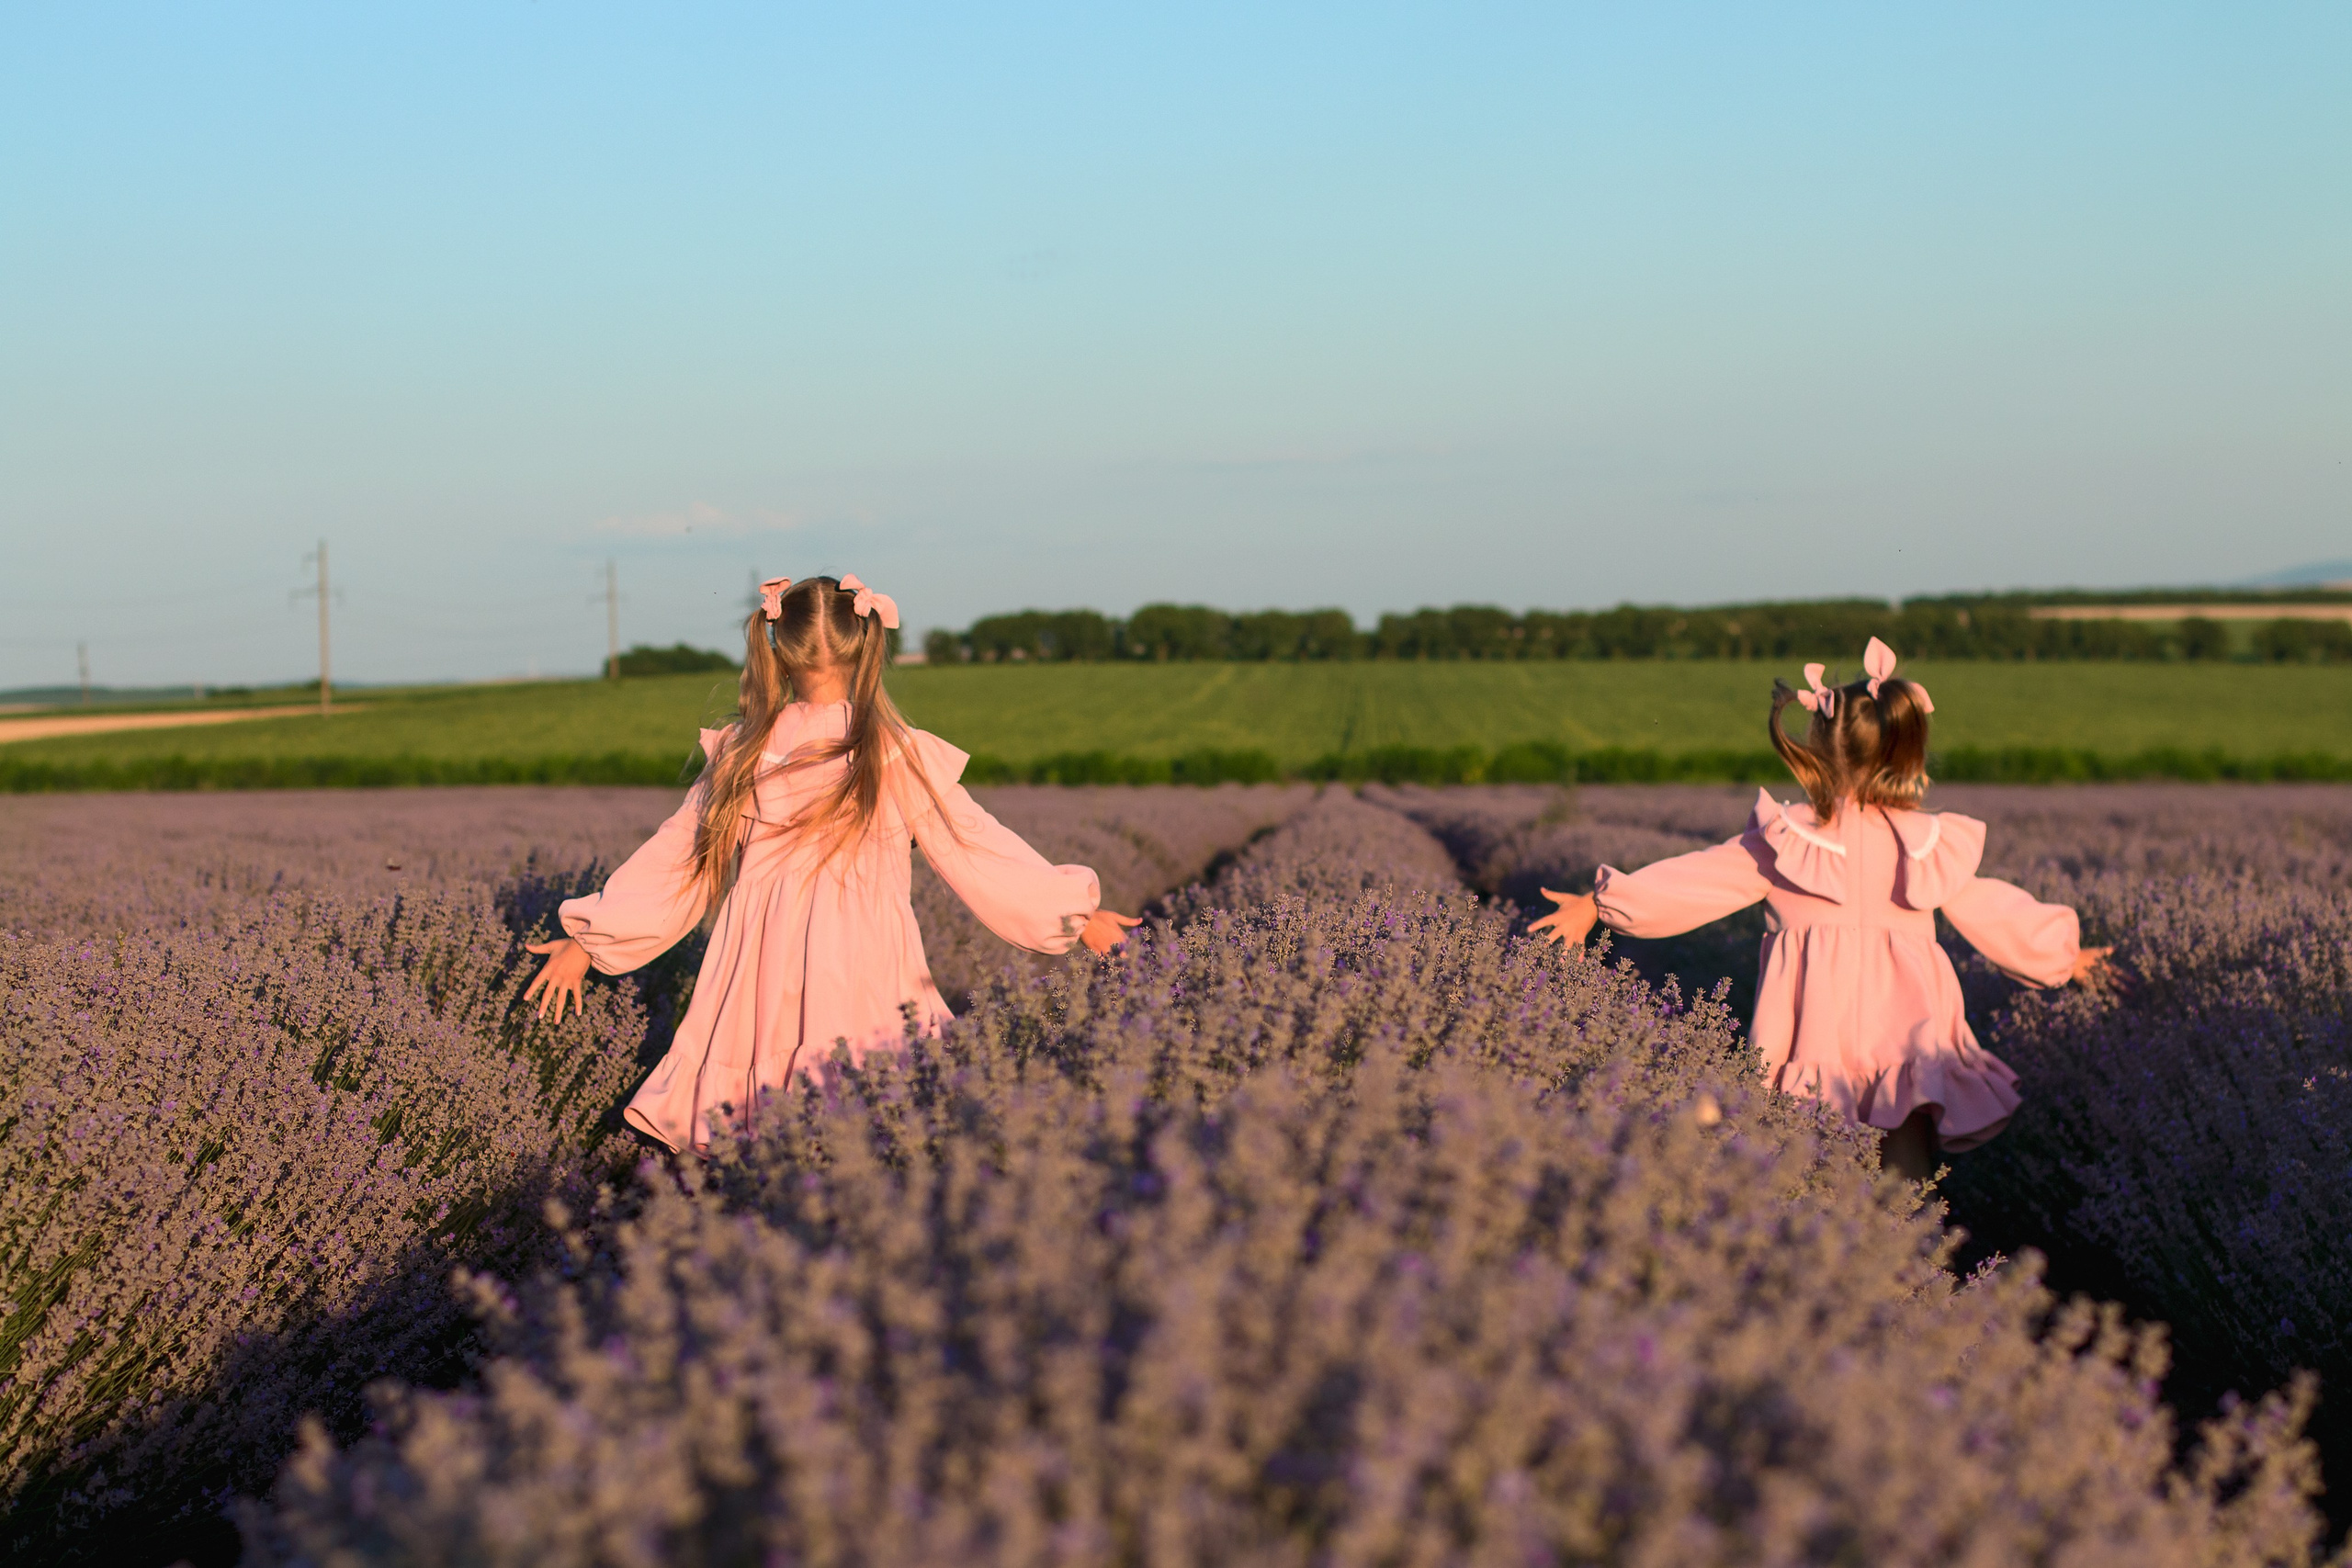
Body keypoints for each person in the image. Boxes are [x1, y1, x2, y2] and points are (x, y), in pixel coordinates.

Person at [523, 573, 1140, 1153]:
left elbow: (677, 859)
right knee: (876, 1123)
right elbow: (977, 846)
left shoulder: (744, 753)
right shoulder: (893, 753)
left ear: (778, 651)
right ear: (866, 648)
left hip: (760, 964)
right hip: (866, 963)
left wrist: (589, 941)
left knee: (755, 1132)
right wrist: (1074, 915)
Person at [1531, 637, 2109, 1181]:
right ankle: (1908, 1275)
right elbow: (1990, 907)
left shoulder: (1789, 839)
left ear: (1818, 746)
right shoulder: (1924, 843)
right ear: (1905, 750)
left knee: (1808, 1169)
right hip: (1905, 1034)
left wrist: (1601, 905)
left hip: (1814, 1034)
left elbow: (1695, 881)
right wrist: (2062, 957)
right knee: (1904, 1166)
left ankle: (1822, 1269)